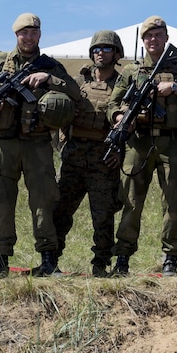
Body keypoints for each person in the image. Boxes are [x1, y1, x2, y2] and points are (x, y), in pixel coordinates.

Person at [0, 13, 80, 278]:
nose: (29, 37)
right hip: (4, 144)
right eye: (24, 33)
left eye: (33, 32)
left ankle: (47, 259)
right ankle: (1, 260)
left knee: (43, 201)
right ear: (16, 35)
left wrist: (48, 79)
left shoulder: (50, 65)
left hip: (38, 144)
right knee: (3, 201)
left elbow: (75, 93)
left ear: (40, 35)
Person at [106, 16, 177, 277]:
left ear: (166, 37)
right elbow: (112, 105)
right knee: (130, 202)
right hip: (138, 142)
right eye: (148, 36)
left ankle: (170, 257)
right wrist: (120, 120)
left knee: (173, 200)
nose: (152, 39)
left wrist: (174, 88)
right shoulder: (131, 71)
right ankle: (123, 257)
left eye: (157, 35)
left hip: (170, 142)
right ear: (142, 40)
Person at [51, 30, 124, 277]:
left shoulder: (122, 85)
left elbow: (128, 123)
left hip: (103, 158)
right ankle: (51, 260)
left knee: (103, 215)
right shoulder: (78, 82)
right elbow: (61, 111)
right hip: (74, 155)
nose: (100, 53)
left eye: (106, 48)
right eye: (96, 48)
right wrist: (63, 141)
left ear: (116, 53)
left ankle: (100, 264)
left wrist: (120, 153)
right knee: (60, 210)